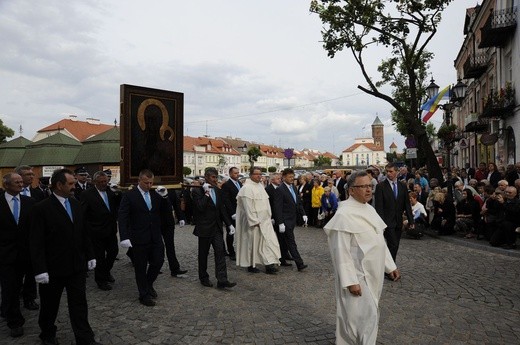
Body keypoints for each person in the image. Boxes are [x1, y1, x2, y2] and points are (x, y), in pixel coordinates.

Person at [324, 170, 400, 345]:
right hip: (358, 275)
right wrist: (350, 281)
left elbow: (379, 241)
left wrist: (391, 266)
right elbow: (340, 252)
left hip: (374, 274)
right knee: (360, 316)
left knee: (368, 314)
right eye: (363, 186)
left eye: (370, 186)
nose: (368, 190)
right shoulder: (343, 215)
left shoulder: (370, 210)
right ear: (351, 190)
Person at [30, 168, 100, 345]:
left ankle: (85, 338)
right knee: (49, 305)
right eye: (70, 184)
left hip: (76, 266)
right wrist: (40, 269)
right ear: (59, 185)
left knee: (79, 304)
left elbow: (84, 232)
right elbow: (36, 242)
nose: (74, 187)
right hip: (53, 268)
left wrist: (90, 255)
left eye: (75, 183)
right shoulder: (41, 208)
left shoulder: (76, 204)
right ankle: (47, 333)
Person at [118, 169, 172, 307]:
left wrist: (165, 197)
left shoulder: (155, 195)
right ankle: (143, 295)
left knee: (158, 261)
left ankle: (148, 284)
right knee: (140, 267)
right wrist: (124, 236)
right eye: (146, 182)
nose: (149, 185)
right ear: (139, 181)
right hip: (138, 237)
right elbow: (123, 216)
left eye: (151, 183)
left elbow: (165, 212)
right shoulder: (130, 195)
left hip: (155, 235)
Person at [0, 173, 35, 338]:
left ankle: (6, 308)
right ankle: (15, 322)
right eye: (17, 182)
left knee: (20, 285)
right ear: (6, 185)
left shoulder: (29, 203)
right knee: (10, 287)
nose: (21, 184)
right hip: (5, 255)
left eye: (22, 182)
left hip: (26, 254)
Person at [191, 167, 236, 289]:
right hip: (204, 228)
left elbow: (222, 209)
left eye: (216, 177)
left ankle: (222, 280)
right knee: (203, 254)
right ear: (206, 177)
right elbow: (200, 207)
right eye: (213, 177)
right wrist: (206, 194)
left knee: (220, 253)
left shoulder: (217, 190)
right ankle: (203, 277)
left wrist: (229, 224)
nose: (215, 180)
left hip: (216, 228)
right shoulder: (197, 191)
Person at [235, 167, 281, 274]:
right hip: (254, 223)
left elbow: (266, 203)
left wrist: (269, 216)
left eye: (260, 174)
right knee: (252, 245)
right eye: (256, 174)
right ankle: (251, 264)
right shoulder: (246, 188)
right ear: (251, 175)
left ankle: (269, 264)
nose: (259, 176)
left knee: (267, 243)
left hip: (265, 222)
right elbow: (248, 207)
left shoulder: (260, 186)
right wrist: (254, 221)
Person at [80, 171, 119, 291]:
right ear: (95, 182)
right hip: (96, 232)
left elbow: (116, 206)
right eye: (101, 182)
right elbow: (82, 213)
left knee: (113, 252)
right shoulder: (87, 194)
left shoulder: (110, 192)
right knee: (99, 257)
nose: (104, 184)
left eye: (105, 181)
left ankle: (106, 271)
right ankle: (100, 280)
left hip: (110, 230)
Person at [13, 165, 41, 311]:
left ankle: (29, 298)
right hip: (13, 243)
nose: (31, 176)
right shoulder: (7, 195)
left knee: (31, 272)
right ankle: (12, 297)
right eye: (27, 174)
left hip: (31, 240)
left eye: (32, 174)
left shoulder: (38, 194)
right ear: (18, 176)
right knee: (14, 275)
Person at [374, 163, 414, 263]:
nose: (388, 173)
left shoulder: (402, 186)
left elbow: (407, 205)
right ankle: (391, 268)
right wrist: (381, 223)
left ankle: (389, 265)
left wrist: (411, 221)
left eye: (391, 171)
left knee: (395, 245)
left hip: (398, 221)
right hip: (387, 222)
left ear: (396, 172)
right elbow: (379, 207)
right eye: (387, 171)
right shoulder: (381, 186)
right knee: (393, 244)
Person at [273, 168, 308, 272]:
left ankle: (282, 259)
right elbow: (277, 207)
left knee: (284, 242)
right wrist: (280, 222)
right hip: (285, 220)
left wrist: (303, 214)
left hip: (292, 219)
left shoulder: (293, 187)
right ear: (284, 178)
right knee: (291, 242)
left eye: (293, 177)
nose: (292, 179)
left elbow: (298, 201)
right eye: (290, 177)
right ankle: (299, 263)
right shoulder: (280, 189)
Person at [265, 173, 292, 266]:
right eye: (277, 179)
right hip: (273, 217)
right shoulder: (268, 189)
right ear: (272, 180)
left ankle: (284, 254)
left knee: (283, 238)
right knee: (279, 239)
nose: (279, 180)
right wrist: (271, 217)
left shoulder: (280, 188)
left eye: (279, 179)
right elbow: (269, 205)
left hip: (280, 217)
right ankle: (281, 258)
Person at [220, 167, 242, 260]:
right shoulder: (227, 185)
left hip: (240, 211)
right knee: (231, 233)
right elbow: (226, 200)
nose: (237, 175)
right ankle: (231, 251)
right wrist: (232, 213)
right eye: (235, 173)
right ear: (230, 174)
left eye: (238, 173)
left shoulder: (240, 184)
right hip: (232, 213)